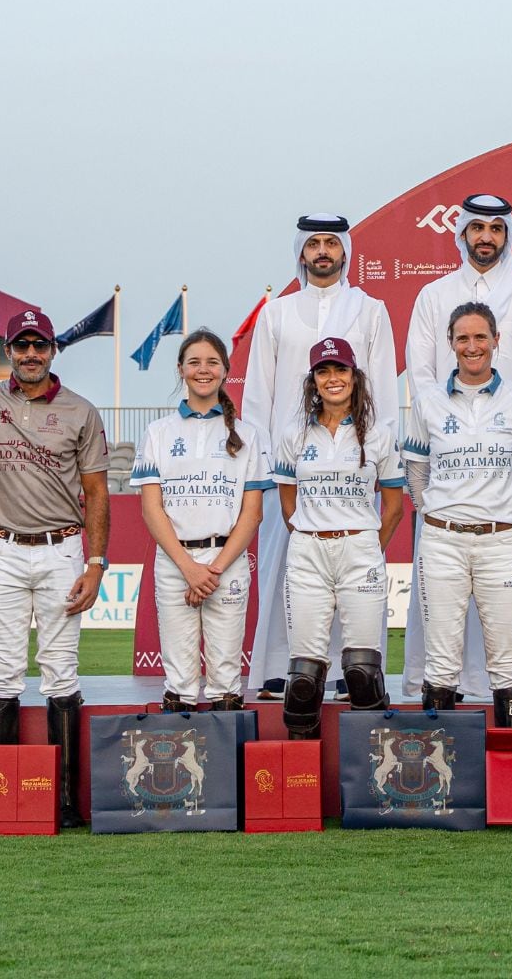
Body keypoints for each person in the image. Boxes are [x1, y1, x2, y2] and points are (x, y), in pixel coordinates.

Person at [0, 308, 110, 829]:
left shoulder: (81, 411)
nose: (31, 354)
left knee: (61, 671)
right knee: (3, 669)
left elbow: (95, 492)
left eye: (39, 345)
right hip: (2, 549)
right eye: (21, 346)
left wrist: (96, 560)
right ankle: (5, 799)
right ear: (8, 351)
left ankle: (62, 800)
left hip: (63, 548)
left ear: (53, 350)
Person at [240, 214, 398, 703]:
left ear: (345, 251)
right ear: (301, 252)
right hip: (288, 469)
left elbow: (385, 395)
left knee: (354, 580)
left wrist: (373, 455)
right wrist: (267, 471)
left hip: (351, 466)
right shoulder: (277, 312)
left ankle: (350, 676)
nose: (323, 252)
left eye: (332, 242)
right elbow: (257, 397)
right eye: (314, 244)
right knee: (285, 569)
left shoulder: (370, 309)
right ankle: (278, 671)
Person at [403, 195, 512, 701]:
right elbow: (421, 375)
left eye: (495, 228)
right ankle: (442, 687)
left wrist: (501, 424)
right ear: (462, 233)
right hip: (447, 469)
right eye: (476, 228)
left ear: (507, 233)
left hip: (507, 471)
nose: (486, 237)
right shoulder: (433, 294)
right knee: (440, 612)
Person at [272, 337, 405, 739]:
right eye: (323, 371)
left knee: (362, 672)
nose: (333, 378)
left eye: (340, 370)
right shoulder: (293, 434)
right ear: (313, 381)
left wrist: (365, 545)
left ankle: (372, 771)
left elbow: (395, 507)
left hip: (360, 549)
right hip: (309, 551)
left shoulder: (379, 435)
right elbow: (288, 506)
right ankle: (302, 776)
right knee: (303, 678)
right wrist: (316, 536)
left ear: (354, 376)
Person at [132, 330, 268, 714]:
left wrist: (213, 569)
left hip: (226, 561)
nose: (203, 370)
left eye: (212, 362)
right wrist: (190, 568)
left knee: (226, 678)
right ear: (180, 369)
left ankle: (228, 769)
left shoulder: (247, 434)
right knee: (179, 681)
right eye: (194, 362)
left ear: (225, 370)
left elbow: (252, 513)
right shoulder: (158, 432)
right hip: (177, 563)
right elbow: (151, 510)